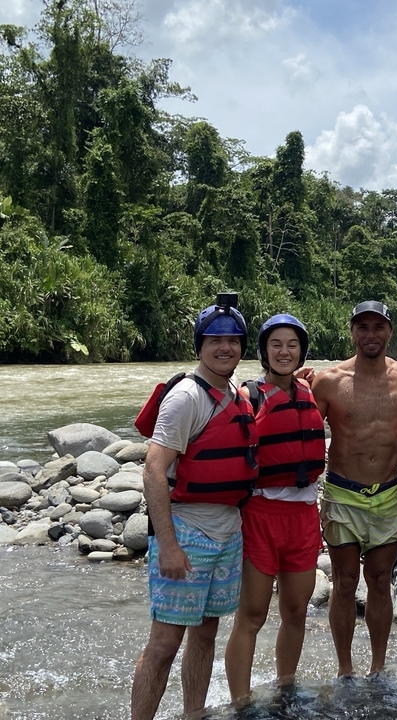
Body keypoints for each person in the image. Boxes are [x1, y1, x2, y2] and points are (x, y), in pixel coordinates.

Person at [130, 295, 257, 720]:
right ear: (199, 346)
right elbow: (153, 470)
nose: (226, 348)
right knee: (165, 644)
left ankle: (193, 714)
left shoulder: (239, 394)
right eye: (215, 341)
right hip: (187, 532)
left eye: (234, 340)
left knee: (206, 634)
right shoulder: (186, 397)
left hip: (227, 532)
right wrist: (167, 544)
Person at [310, 300, 397, 678]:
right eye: (363, 327)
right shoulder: (328, 381)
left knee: (379, 581)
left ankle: (377, 666)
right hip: (341, 493)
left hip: (388, 493)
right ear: (352, 331)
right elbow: (300, 425)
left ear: (390, 331)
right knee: (343, 582)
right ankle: (344, 669)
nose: (370, 335)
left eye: (378, 327)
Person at [224, 314, 326, 705]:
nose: (285, 351)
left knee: (297, 610)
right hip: (261, 515)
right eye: (277, 344)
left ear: (302, 350)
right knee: (252, 616)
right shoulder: (248, 395)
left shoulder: (309, 390)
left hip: (302, 517)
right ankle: (241, 701)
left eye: (292, 345)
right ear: (264, 351)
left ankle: (286, 686)